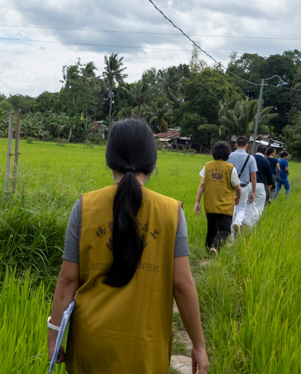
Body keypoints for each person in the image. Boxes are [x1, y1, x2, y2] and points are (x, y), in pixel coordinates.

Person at [47, 119, 209, 374]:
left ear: (110, 159)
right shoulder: (170, 212)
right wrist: (198, 345)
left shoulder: (85, 207)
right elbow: (182, 284)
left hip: (91, 347)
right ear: (152, 162)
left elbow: (67, 281)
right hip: (146, 349)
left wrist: (54, 336)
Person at [194, 141, 242, 255]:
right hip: (225, 205)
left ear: (214, 152)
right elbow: (238, 187)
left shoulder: (207, 165)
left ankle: (208, 250)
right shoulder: (230, 168)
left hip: (210, 203)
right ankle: (215, 247)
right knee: (225, 229)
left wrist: (197, 201)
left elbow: (202, 184)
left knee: (211, 228)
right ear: (227, 154)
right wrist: (238, 198)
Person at [226, 136, 257, 234]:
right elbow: (253, 176)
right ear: (247, 145)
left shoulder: (229, 156)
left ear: (236, 144)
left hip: (230, 188)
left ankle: (230, 232)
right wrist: (253, 192)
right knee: (241, 208)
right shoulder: (251, 158)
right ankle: (237, 222)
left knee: (231, 208)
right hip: (243, 187)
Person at [250, 144, 274, 225]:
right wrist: (270, 184)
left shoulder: (250, 158)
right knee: (259, 205)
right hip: (260, 184)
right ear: (265, 152)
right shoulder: (265, 161)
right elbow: (269, 175)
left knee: (247, 204)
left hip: (248, 184)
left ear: (256, 150)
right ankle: (253, 224)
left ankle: (244, 222)